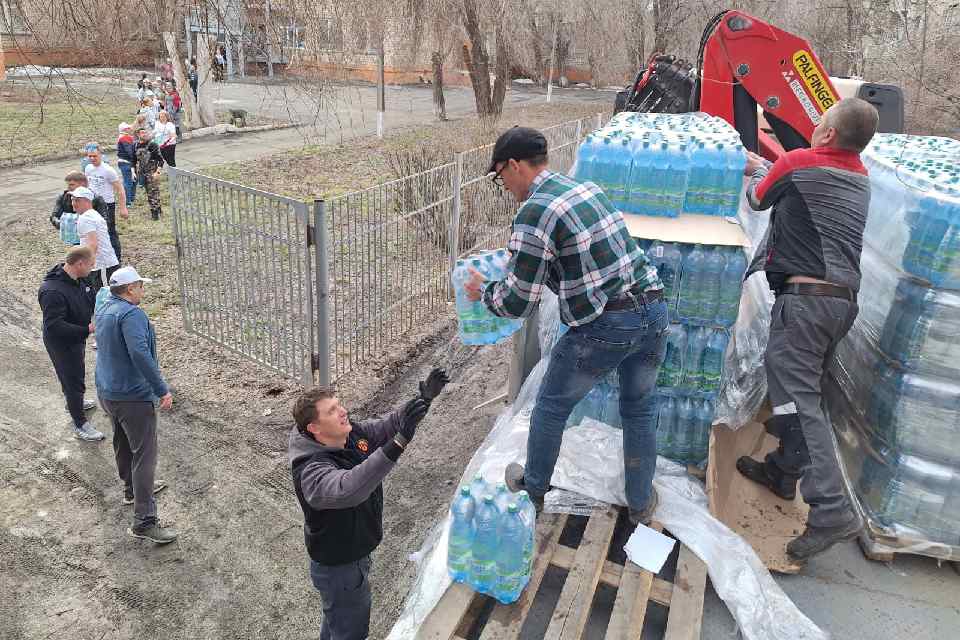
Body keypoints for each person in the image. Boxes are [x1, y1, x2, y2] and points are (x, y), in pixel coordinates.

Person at [464, 127, 667, 525]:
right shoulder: (585, 188)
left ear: (515, 165)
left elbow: (519, 303)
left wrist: (483, 293)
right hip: (654, 309)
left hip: (607, 325)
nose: (502, 185)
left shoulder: (534, 211)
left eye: (499, 175)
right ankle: (640, 502)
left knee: (551, 407)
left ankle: (533, 489)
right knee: (639, 409)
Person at [736, 98, 880, 562]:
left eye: (819, 122)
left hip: (805, 304)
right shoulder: (860, 177)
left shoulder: (799, 163)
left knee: (797, 401)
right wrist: (774, 164)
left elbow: (758, 198)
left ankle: (833, 510)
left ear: (828, 135)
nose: (815, 127)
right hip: (840, 306)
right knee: (805, 392)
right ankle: (784, 470)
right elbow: (803, 188)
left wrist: (757, 167)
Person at [289, 368, 449, 640]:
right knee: (351, 630)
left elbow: (385, 427)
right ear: (314, 429)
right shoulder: (311, 472)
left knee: (337, 622)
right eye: (332, 411)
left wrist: (420, 402)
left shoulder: (346, 434)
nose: (342, 412)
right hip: (339, 568)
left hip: (353, 556)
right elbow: (350, 488)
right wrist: (398, 443)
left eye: (339, 404)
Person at [96, 266, 177, 545]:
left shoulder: (105, 308)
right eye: (141, 285)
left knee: (121, 441)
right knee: (144, 454)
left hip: (108, 392)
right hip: (132, 396)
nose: (143, 290)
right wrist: (161, 389)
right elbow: (140, 353)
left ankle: (131, 490)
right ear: (130, 289)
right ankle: (144, 521)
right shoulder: (132, 314)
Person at [38, 245, 104, 442]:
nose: (93, 269)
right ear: (80, 263)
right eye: (91, 265)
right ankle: (80, 423)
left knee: (74, 378)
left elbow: (90, 297)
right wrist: (88, 330)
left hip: (76, 339)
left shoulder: (80, 278)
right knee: (73, 380)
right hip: (61, 344)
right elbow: (54, 326)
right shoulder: (52, 291)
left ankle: (74, 401)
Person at [84, 144, 127, 262]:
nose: (92, 158)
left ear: (101, 155)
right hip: (93, 204)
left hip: (107, 204)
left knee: (109, 230)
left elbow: (120, 189)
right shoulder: (88, 168)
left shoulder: (108, 170)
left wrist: (123, 208)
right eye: (90, 156)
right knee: (95, 230)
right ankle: (100, 255)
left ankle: (116, 257)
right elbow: (88, 184)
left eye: (95, 156)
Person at [71, 186, 120, 291]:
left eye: (77, 200)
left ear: (87, 201)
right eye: (73, 200)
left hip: (102, 266)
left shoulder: (86, 218)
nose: (74, 203)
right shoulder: (92, 214)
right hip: (104, 265)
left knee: (106, 298)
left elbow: (93, 244)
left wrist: (88, 265)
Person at [51, 171, 108, 239]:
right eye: (68, 185)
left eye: (72, 185)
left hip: (92, 235)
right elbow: (54, 216)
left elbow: (104, 220)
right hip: (73, 236)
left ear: (82, 184)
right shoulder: (63, 197)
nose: (68, 188)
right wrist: (62, 224)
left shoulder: (96, 198)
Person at [134, 127, 165, 220]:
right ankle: (158, 209)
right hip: (142, 173)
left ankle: (155, 214)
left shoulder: (152, 145)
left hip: (152, 172)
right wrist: (134, 171)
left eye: (145, 132)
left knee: (153, 192)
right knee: (149, 192)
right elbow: (134, 160)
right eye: (142, 133)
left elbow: (161, 160)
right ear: (138, 135)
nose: (144, 134)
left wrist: (157, 172)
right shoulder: (136, 145)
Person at [116, 123, 138, 206]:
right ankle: (128, 201)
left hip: (127, 162)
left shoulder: (124, 137)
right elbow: (130, 151)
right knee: (128, 182)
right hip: (127, 162)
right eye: (128, 128)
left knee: (133, 181)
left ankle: (131, 199)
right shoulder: (125, 138)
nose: (130, 129)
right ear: (125, 130)